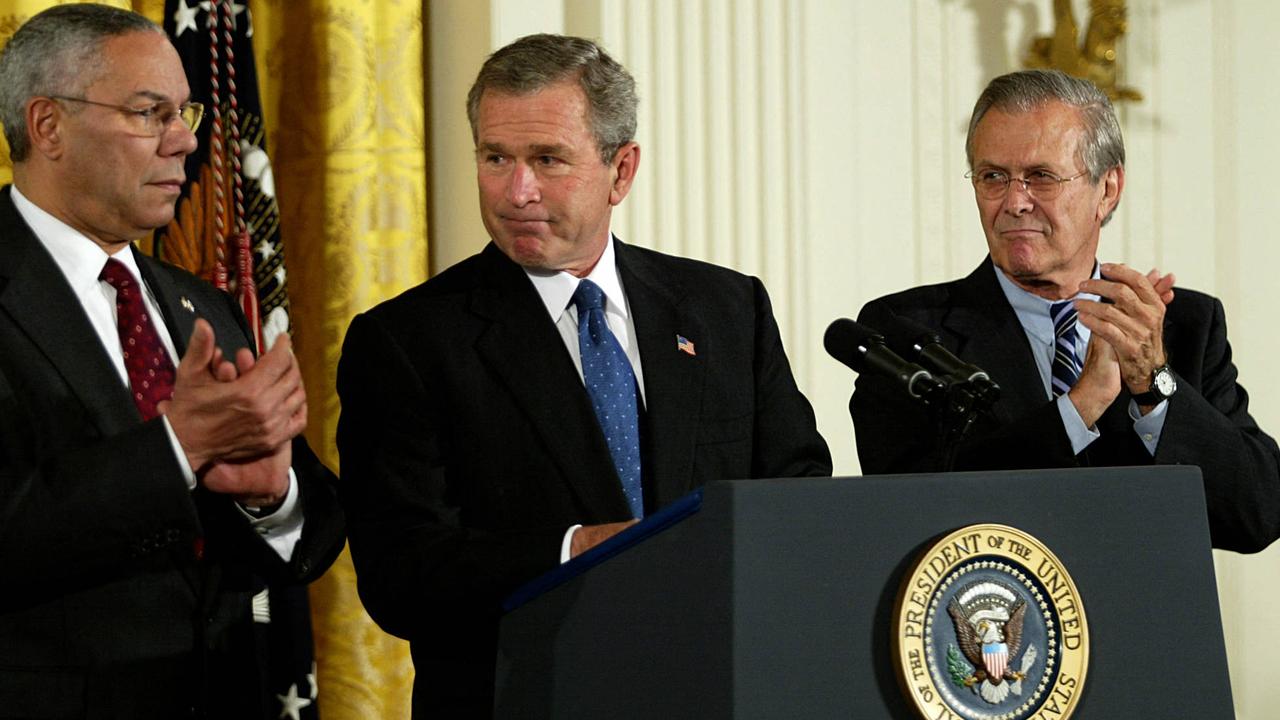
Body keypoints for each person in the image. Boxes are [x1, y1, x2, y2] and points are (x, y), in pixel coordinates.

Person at [337, 33, 832, 715]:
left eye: (547, 159)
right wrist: (573, 550)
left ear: (621, 171)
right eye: (495, 158)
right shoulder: (406, 342)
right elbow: (401, 575)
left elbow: (796, 498)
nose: (517, 190)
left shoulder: (726, 310)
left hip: (718, 692)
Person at [0, 5, 343, 718]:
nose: (187, 141)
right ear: (47, 126)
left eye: (182, 112)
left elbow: (310, 527)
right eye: (150, 113)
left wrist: (266, 498)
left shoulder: (199, 304)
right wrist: (176, 451)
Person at [850, 68, 1279, 553]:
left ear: (1108, 189)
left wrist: (1154, 385)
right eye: (993, 176)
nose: (1014, 202)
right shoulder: (907, 333)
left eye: (1041, 177)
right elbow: (911, 509)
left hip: (1147, 622)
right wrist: (1080, 407)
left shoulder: (1183, 325)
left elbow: (1256, 516)